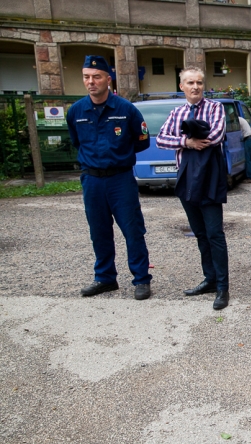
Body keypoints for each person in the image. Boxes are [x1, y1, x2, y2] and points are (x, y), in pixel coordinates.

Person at [67, 55, 152, 301]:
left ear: (108, 79)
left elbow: (142, 140)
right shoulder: (76, 111)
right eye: (86, 77)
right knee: (99, 231)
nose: (91, 82)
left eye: (96, 77)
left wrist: (120, 155)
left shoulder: (126, 110)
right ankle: (105, 278)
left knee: (132, 230)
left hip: (120, 179)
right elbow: (76, 141)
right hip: (92, 180)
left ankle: (141, 280)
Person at [156, 66, 230, 310]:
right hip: (186, 178)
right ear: (182, 86)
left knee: (215, 234)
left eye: (199, 82)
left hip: (210, 178)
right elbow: (161, 139)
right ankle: (209, 279)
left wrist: (193, 135)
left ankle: (222, 287)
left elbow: (216, 135)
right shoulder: (176, 112)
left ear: (203, 85)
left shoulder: (215, 108)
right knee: (200, 233)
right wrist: (186, 141)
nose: (195, 86)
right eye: (190, 83)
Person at [238, 116, 251, 182]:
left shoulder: (237, 120)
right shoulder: (241, 119)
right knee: (250, 159)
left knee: (248, 159)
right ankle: (250, 175)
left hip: (249, 138)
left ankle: (250, 177)